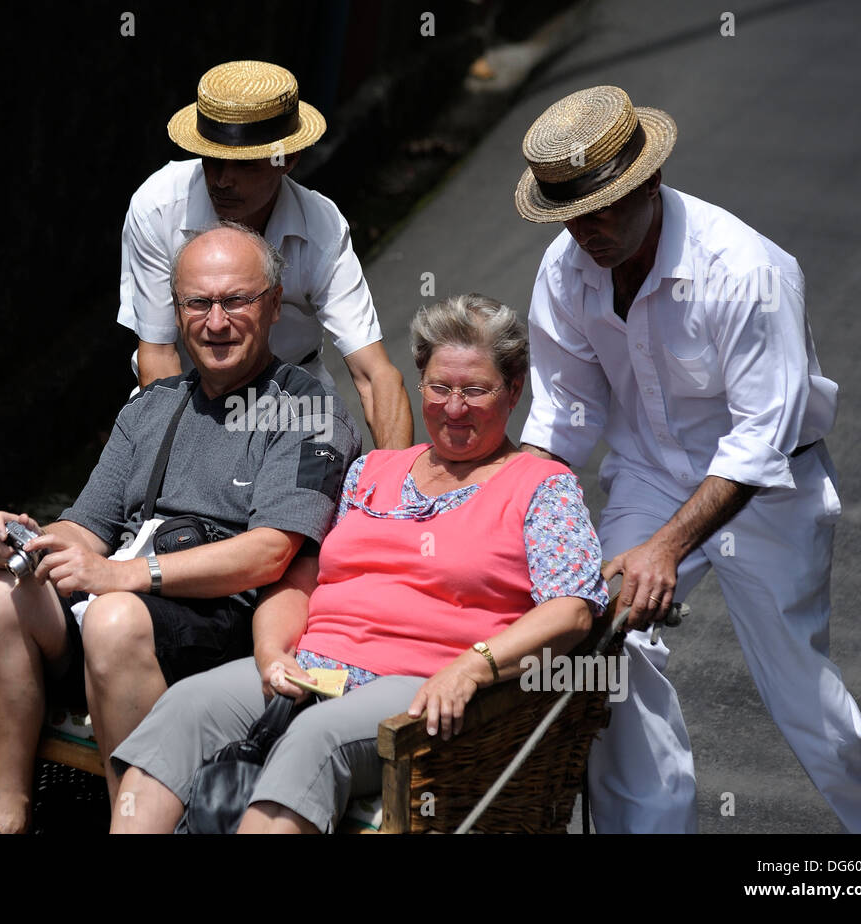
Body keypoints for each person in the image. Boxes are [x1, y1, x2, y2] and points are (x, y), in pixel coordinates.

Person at [513, 85, 861, 832]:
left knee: (800, 693)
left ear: (649, 182)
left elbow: (758, 438)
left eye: (604, 208)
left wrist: (665, 549)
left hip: (768, 488)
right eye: (572, 215)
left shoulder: (748, 269)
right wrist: (509, 512)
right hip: (646, 472)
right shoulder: (564, 269)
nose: (590, 231)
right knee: (601, 642)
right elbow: (565, 415)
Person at [109, 294, 610, 833]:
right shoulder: (371, 470)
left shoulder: (542, 487)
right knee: (187, 707)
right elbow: (301, 576)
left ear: (514, 391)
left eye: (476, 390)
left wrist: (473, 665)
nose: (454, 407)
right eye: (440, 387)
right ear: (421, 384)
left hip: (421, 679)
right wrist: (272, 651)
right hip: (320, 666)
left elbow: (572, 611)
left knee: (313, 740)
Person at [0, 222, 359, 832]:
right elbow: (86, 530)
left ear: (275, 305)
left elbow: (270, 553)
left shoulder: (308, 410)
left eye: (236, 300)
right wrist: (25, 538)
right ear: (177, 313)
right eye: (198, 303)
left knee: (117, 618)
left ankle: (139, 820)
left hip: (220, 621)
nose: (216, 321)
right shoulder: (152, 405)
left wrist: (125, 575)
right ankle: (6, 820)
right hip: (121, 604)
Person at [119, 59, 413, 450]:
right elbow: (157, 358)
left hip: (295, 406)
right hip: (181, 398)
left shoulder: (322, 226)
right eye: (212, 159)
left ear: (287, 160)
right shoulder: (157, 207)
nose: (222, 180)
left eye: (243, 165)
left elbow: (375, 375)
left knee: (313, 502)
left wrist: (398, 492)